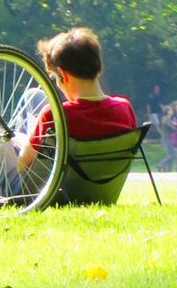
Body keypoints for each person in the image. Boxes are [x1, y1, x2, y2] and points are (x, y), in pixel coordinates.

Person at [17, 26, 137, 177]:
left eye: (55, 78)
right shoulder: (124, 108)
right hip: (103, 187)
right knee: (33, 96)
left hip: (42, 190)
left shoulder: (55, 115)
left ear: (62, 74)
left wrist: (21, 140)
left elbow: (21, 165)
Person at [158, 100, 177, 172]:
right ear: (168, 111)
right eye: (170, 110)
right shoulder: (166, 119)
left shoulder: (169, 119)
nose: (172, 111)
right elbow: (174, 127)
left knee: (171, 154)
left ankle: (169, 169)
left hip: (170, 139)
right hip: (167, 139)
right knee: (172, 154)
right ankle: (161, 165)